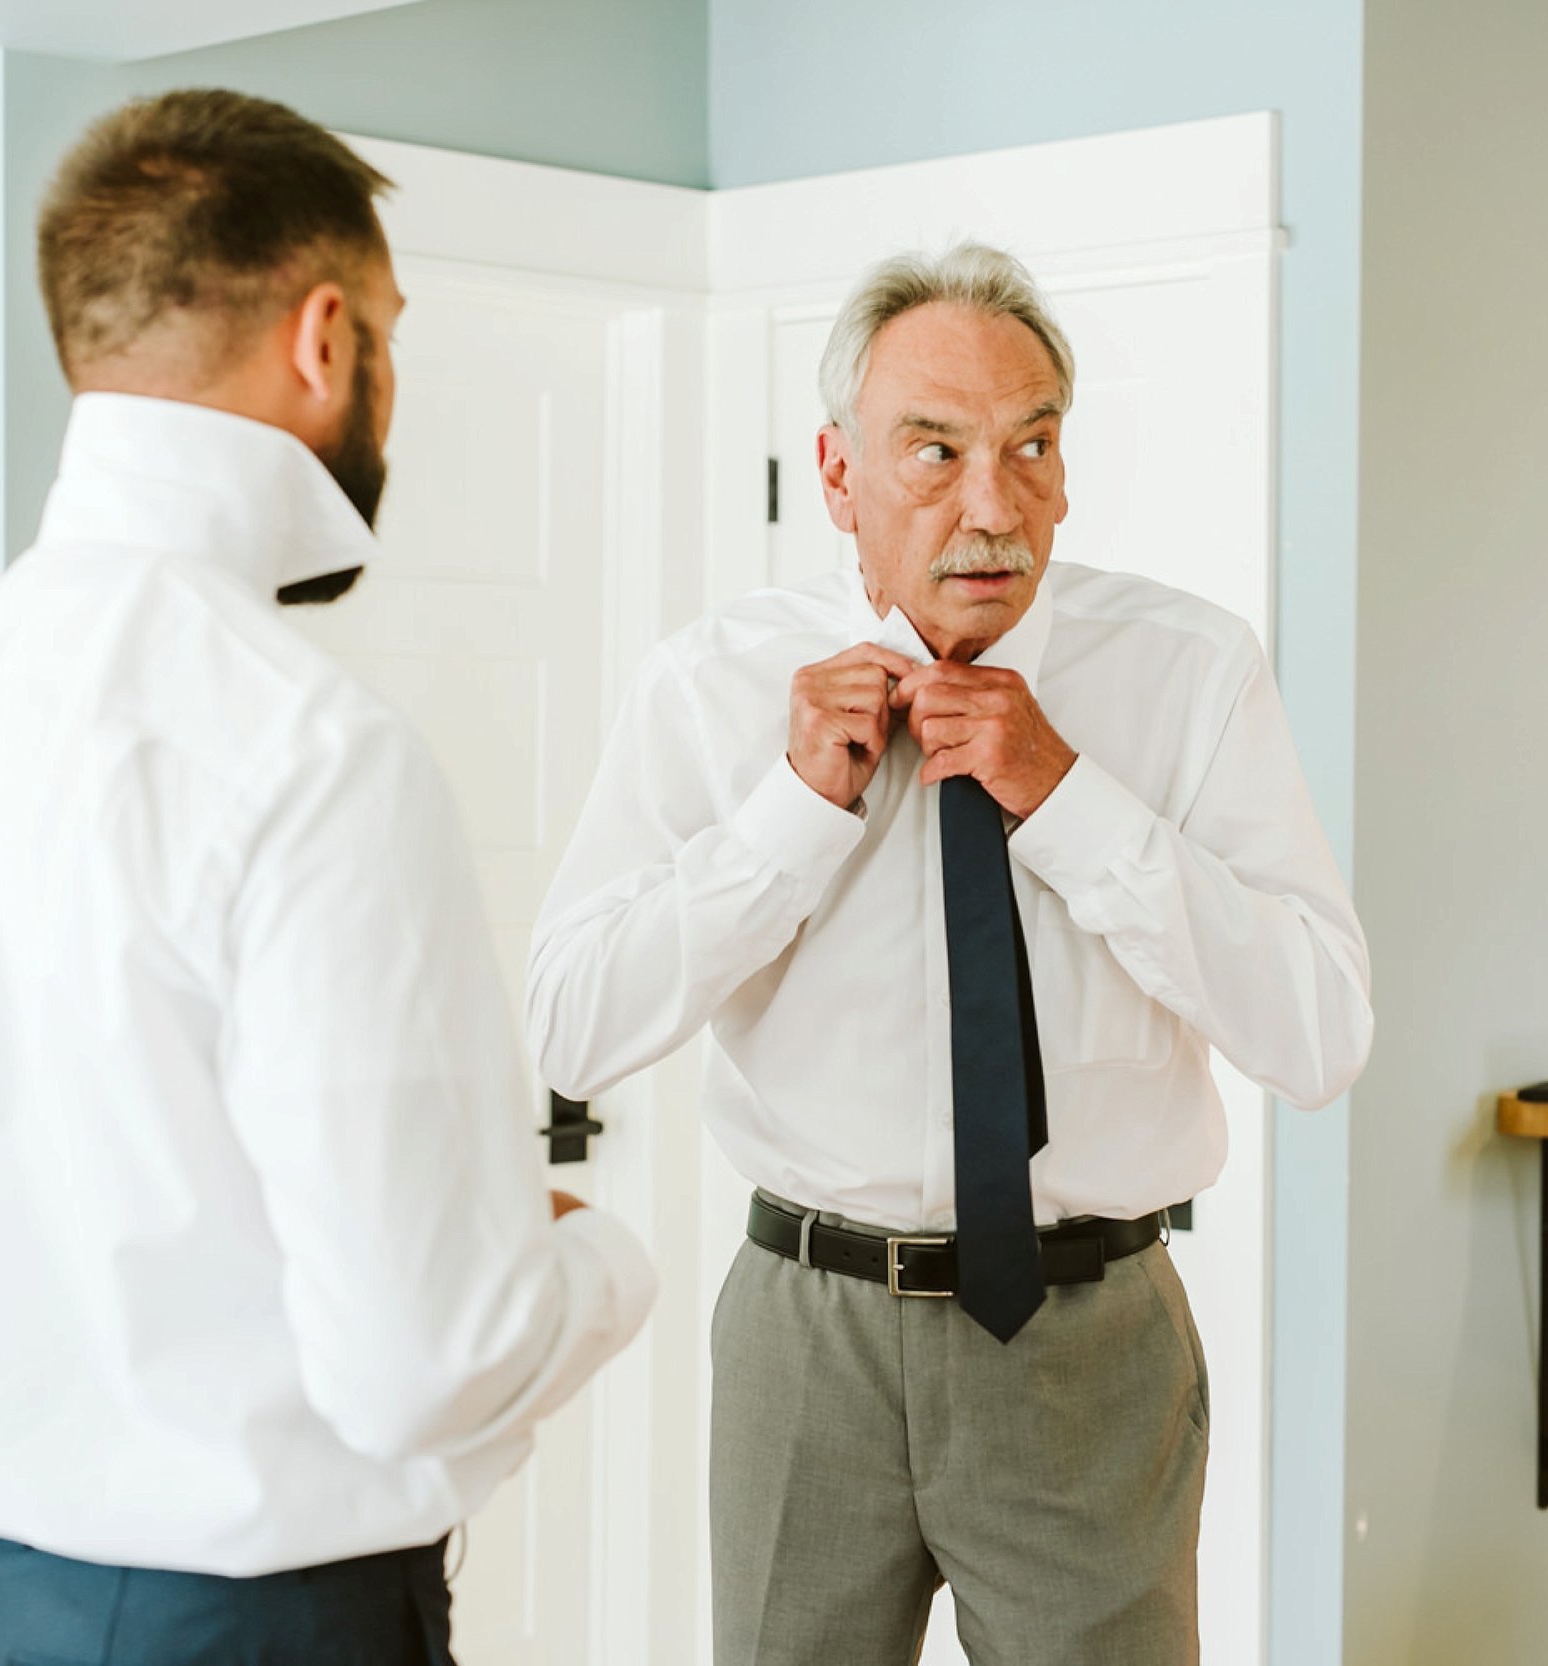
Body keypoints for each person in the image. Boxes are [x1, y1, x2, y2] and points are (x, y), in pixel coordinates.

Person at [0, 90, 654, 1665]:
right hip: (256, 1628)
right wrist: (599, 1259)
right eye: (393, 336)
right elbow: (425, 1362)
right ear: (326, 339)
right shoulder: (313, 751)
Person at [528, 243, 1374, 1664]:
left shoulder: (1190, 673)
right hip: (809, 1336)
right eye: (935, 452)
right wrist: (790, 814)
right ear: (839, 472)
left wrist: (1074, 801)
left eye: (1030, 447)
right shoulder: (711, 684)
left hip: (1087, 1346)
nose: (994, 507)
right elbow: (571, 1022)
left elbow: (1322, 1032)